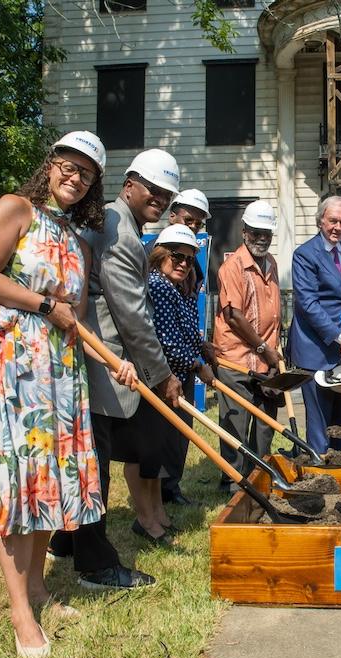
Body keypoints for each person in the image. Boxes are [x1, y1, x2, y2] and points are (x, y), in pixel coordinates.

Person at [0, 131, 121, 658]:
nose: (74, 177)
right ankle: (20, 613)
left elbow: (77, 319)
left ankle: (38, 588)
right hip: (16, 363)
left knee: (48, 478)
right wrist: (40, 304)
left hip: (61, 367)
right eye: (68, 165)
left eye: (86, 172)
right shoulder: (17, 209)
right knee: (18, 476)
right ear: (50, 165)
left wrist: (115, 360)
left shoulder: (77, 240)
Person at [48, 148, 184, 590]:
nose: (160, 200)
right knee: (96, 464)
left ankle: (67, 541)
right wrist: (162, 375)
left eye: (167, 195)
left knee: (91, 458)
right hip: (99, 361)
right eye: (153, 190)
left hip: (98, 358)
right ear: (130, 185)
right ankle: (95, 563)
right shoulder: (120, 233)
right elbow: (132, 316)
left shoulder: (118, 223)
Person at [113, 224, 215, 545]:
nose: (183, 263)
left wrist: (200, 349)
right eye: (176, 256)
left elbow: (185, 332)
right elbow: (166, 343)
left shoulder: (180, 287)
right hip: (152, 379)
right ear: (159, 255)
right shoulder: (157, 286)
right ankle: (145, 518)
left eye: (188, 258)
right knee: (142, 454)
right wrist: (197, 366)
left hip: (171, 379)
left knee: (157, 452)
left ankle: (157, 513)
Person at [287, 195, 341, 454]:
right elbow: (308, 304)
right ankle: (318, 473)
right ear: (320, 220)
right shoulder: (305, 255)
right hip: (317, 348)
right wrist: (340, 338)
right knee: (320, 422)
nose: (338, 228)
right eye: (333, 221)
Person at [213, 200, 282, 485]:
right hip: (237, 360)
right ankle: (233, 482)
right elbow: (234, 317)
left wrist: (273, 354)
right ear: (244, 232)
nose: (261, 238)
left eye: (266, 233)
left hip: (266, 360)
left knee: (265, 424)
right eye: (256, 232)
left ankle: (258, 478)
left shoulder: (272, 264)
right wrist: (265, 350)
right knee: (235, 424)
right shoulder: (233, 267)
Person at [159, 189, 213, 505]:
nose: (193, 227)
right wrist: (194, 360)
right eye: (188, 219)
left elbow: (189, 315)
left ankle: (172, 485)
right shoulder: (164, 259)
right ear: (173, 215)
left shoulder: (195, 266)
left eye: (198, 223)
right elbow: (165, 330)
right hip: (168, 364)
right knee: (166, 430)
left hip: (187, 358)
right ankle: (163, 489)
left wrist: (201, 346)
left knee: (183, 429)